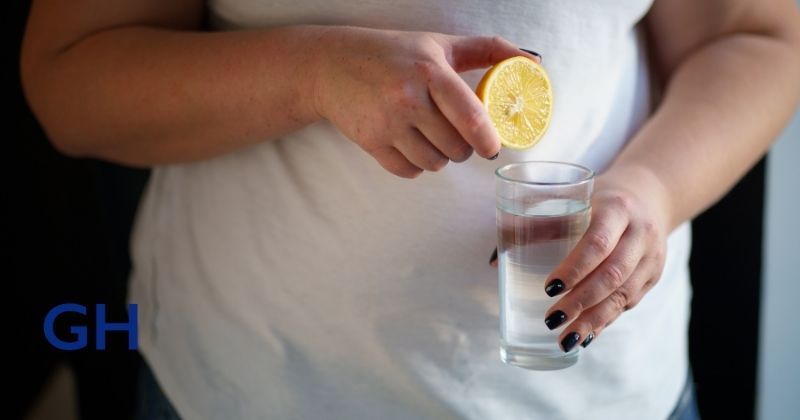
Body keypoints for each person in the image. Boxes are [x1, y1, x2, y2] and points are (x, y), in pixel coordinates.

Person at [20, 0, 800, 418]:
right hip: (252, 388)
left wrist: (653, 192)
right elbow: (68, 83)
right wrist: (310, 71)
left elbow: (756, 34)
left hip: (603, 400)